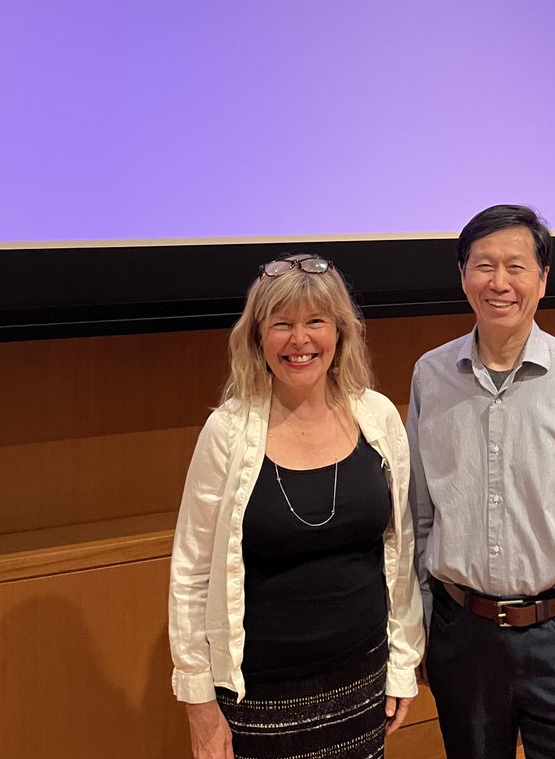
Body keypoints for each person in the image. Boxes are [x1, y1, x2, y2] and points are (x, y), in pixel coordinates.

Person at [407, 205, 555, 759]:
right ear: (462, 276)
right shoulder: (431, 376)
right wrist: (422, 630)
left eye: (516, 266)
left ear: (542, 279)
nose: (499, 283)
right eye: (483, 265)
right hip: (461, 637)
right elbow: (420, 519)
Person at [170, 254, 424, 759]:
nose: (299, 339)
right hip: (258, 697)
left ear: (341, 333)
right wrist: (199, 703)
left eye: (315, 322)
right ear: (258, 338)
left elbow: (400, 551)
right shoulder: (227, 431)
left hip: (362, 682)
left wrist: (402, 663)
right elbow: (192, 572)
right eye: (281, 324)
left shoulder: (378, 417)